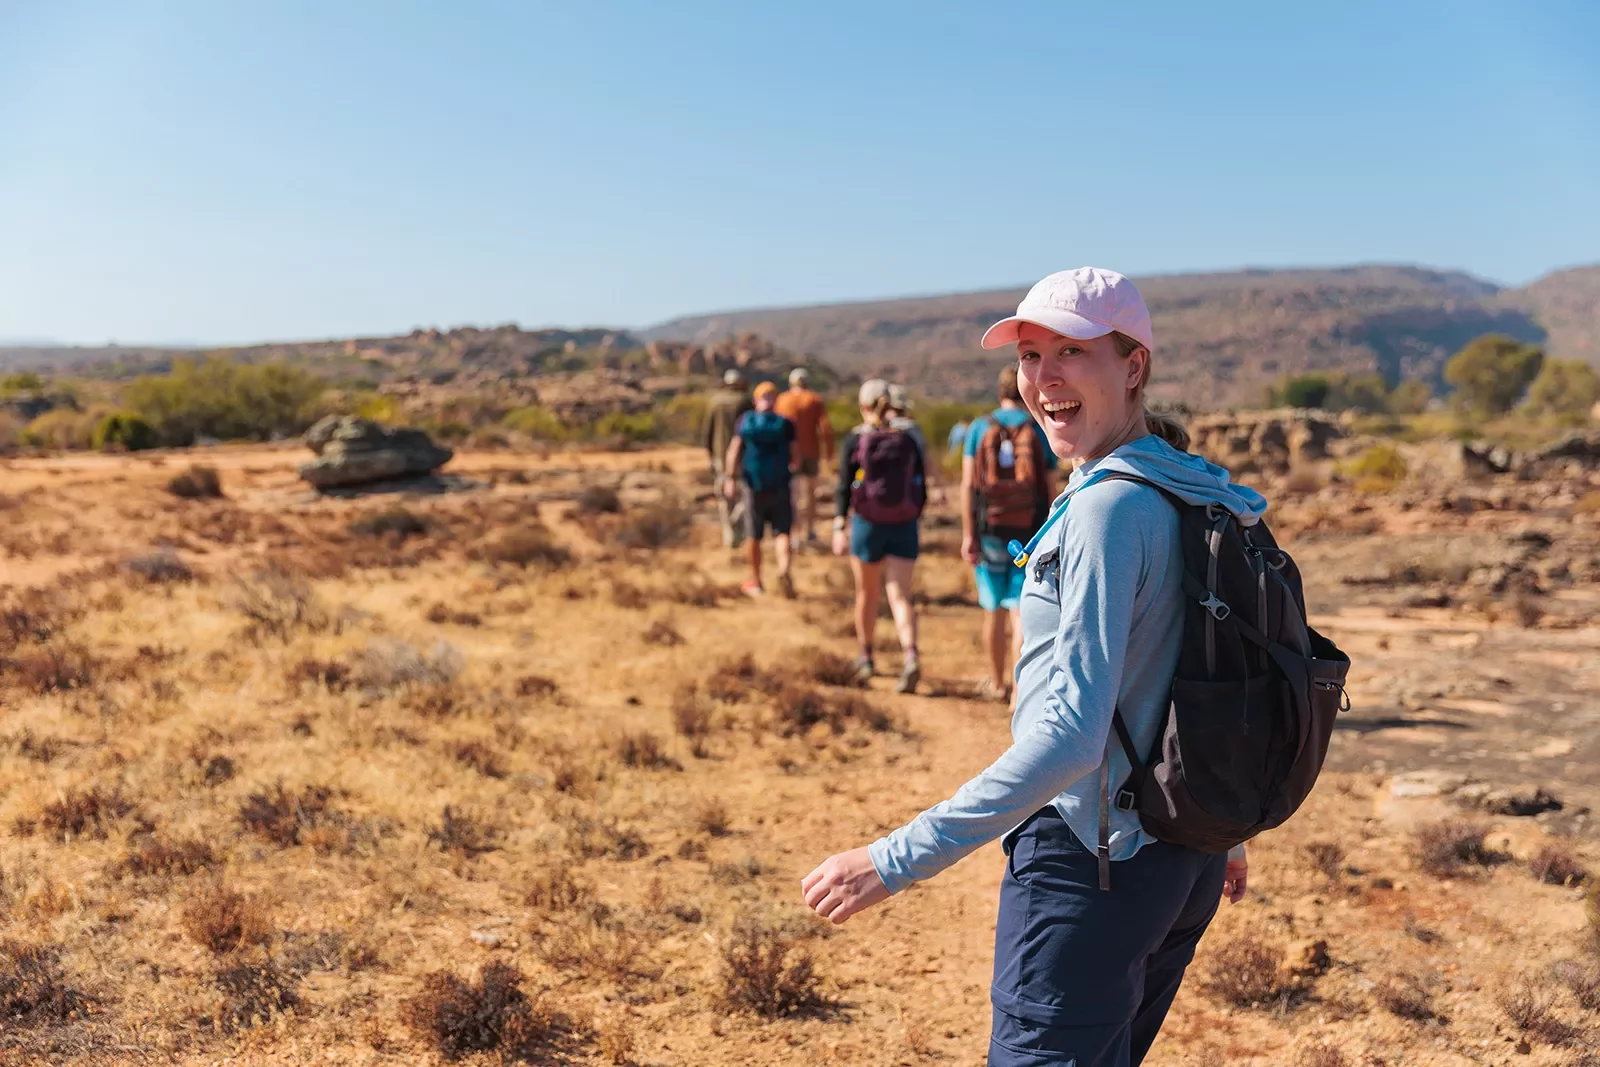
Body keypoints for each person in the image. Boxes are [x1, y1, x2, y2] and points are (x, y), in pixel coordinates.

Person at [802, 268, 1255, 1067]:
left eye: (1071, 353)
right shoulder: (1189, 487)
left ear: (1133, 366)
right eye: (1030, 356)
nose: (1044, 379)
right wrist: (1223, 823)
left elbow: (1069, 739)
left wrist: (890, 860)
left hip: (1095, 865)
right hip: (1181, 854)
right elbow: (1207, 666)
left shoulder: (1109, 508)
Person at [961, 365, 1057, 704]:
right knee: (1021, 612)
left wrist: (969, 533)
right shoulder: (1039, 429)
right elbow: (1049, 486)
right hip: (1029, 533)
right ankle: (1020, 691)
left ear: (999, 392)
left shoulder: (979, 428)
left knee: (993, 611)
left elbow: (969, 485)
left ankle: (997, 682)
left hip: (989, 531)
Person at [832, 379, 928, 693]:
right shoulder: (908, 437)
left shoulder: (856, 439)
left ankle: (866, 656)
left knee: (867, 594)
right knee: (900, 594)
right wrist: (915, 517)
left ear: (863, 405)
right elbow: (920, 485)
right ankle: (910, 653)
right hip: (903, 523)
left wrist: (838, 525)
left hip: (867, 524)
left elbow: (843, 486)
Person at [724, 381, 798, 598]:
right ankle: (784, 570)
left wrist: (730, 478)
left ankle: (756, 580)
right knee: (782, 531)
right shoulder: (785, 424)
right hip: (781, 483)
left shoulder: (746, 421)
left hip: (753, 485)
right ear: (775, 400)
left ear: (756, 400)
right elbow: (796, 454)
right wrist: (794, 474)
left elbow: (734, 450)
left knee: (753, 534)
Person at [773, 367, 835, 545]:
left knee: (792, 493)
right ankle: (809, 530)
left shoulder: (782, 400)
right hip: (811, 453)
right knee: (810, 493)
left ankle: (793, 532)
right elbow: (825, 428)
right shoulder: (814, 399)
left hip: (788, 454)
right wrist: (829, 453)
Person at [701, 369, 752, 547]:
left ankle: (729, 536)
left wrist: (710, 454)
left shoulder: (715, 402)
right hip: (743, 454)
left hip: (719, 455)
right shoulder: (745, 401)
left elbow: (708, 432)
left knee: (724, 497)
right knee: (746, 493)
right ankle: (738, 525)